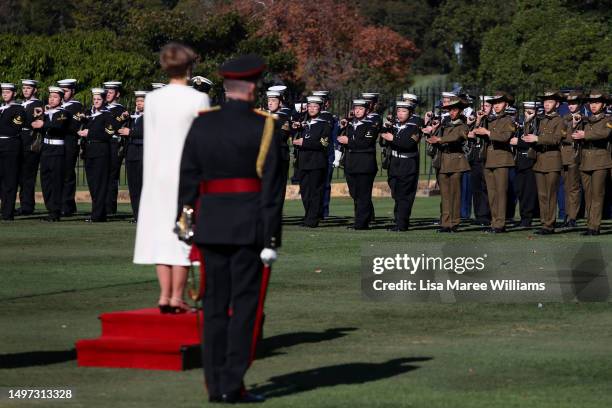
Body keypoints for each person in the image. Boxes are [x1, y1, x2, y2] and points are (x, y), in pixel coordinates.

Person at [177, 54, 284, 404]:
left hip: (209, 225)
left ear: (225, 87)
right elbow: (271, 188)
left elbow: (188, 176)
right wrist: (271, 237)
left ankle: (213, 384)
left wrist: (184, 221)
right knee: (244, 307)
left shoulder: (202, 123)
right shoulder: (264, 125)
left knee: (213, 306)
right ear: (252, 88)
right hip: (248, 227)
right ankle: (231, 382)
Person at [133, 43, 210, 312]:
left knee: (160, 234)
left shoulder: (153, 99)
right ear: (189, 68)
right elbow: (203, 141)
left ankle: (164, 295)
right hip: (185, 176)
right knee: (182, 235)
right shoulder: (198, 98)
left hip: (156, 175)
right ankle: (177, 297)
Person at [473, 91, 515, 233]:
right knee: (491, 193)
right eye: (494, 103)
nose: (496, 106)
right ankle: (494, 222)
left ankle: (500, 224)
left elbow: (505, 137)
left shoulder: (508, 120)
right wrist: (478, 120)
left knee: (501, 192)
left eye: (499, 103)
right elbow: (474, 133)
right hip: (488, 159)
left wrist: (488, 133)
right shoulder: (488, 119)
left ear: (506, 104)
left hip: (502, 160)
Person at [426, 96, 470, 232]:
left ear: (460, 111)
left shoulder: (462, 125)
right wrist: (432, 130)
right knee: (445, 195)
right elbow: (432, 137)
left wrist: (439, 139)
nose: (451, 113)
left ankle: (454, 222)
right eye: (450, 110)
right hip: (443, 162)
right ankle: (445, 223)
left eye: (454, 110)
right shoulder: (444, 124)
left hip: (456, 162)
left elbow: (456, 137)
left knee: (455, 194)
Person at [523, 90, 564, 235]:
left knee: (550, 194)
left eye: (550, 102)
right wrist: (528, 121)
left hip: (553, 161)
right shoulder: (540, 119)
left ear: (557, 104)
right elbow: (527, 135)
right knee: (542, 195)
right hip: (539, 161)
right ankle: (544, 222)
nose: (546, 104)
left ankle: (549, 224)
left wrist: (538, 139)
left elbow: (556, 139)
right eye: (545, 102)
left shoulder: (560, 120)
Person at [571, 90, 611, 235]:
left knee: (597, 195)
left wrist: (585, 134)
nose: (593, 105)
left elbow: (604, 134)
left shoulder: (608, 120)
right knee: (588, 195)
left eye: (597, 102)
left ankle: (595, 226)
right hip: (585, 160)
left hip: (601, 160)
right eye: (591, 103)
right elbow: (572, 136)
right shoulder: (585, 120)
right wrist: (575, 125)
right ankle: (590, 225)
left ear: (604, 105)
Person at [337, 98, 379, 230]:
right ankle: (359, 220)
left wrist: (348, 141)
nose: (358, 111)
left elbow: (365, 144)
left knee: (363, 195)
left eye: (361, 109)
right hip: (351, 165)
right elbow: (339, 140)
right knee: (355, 194)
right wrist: (341, 130)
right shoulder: (349, 125)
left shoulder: (371, 125)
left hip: (365, 165)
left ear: (367, 111)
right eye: (356, 109)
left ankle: (362, 223)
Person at [380, 100, 421, 231]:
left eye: (404, 111)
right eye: (399, 111)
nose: (400, 114)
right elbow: (382, 141)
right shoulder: (394, 126)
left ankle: (402, 223)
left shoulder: (414, 127)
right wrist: (385, 129)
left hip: (407, 163)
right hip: (394, 163)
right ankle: (398, 220)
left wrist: (393, 139)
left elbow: (409, 144)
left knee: (404, 195)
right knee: (396, 193)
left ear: (410, 113)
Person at [31, 86, 70, 222]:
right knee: (45, 181)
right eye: (50, 97)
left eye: (55, 97)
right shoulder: (46, 114)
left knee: (56, 182)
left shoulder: (64, 113)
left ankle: (55, 212)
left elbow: (58, 126)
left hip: (57, 150)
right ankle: (50, 209)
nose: (52, 99)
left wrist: (43, 124)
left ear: (60, 99)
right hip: (46, 149)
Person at [292, 95, 330, 228]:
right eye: (310, 106)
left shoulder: (324, 124)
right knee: (305, 192)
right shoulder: (303, 124)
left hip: (316, 162)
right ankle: (308, 215)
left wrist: (305, 142)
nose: (312, 109)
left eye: (315, 107)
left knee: (315, 192)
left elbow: (323, 144)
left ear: (320, 108)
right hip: (303, 162)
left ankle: (312, 219)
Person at [77, 88, 112, 222]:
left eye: (99, 99)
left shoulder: (107, 115)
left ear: (103, 100)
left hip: (101, 151)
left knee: (99, 184)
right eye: (94, 99)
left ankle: (97, 215)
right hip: (89, 151)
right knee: (92, 184)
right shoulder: (90, 115)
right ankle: (98, 213)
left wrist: (89, 133)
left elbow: (108, 134)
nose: (96, 101)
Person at [57, 78, 84, 217]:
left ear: (72, 91)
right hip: (58, 143)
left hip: (69, 142)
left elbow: (73, 126)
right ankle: (63, 203)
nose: (63, 94)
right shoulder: (57, 105)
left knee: (67, 174)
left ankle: (67, 205)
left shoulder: (76, 106)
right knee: (59, 174)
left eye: (66, 91)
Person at [510, 101, 539, 227]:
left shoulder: (538, 123)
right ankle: (523, 217)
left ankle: (527, 219)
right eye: (526, 110)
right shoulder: (522, 123)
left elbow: (534, 141)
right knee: (520, 190)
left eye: (531, 110)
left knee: (528, 192)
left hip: (531, 161)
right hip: (519, 161)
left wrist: (519, 143)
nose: (528, 112)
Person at [103, 81, 130, 216]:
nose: (107, 94)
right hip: (102, 144)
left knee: (112, 176)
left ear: (117, 94)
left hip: (114, 144)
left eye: (111, 92)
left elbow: (113, 128)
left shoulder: (120, 110)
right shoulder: (102, 108)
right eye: (106, 91)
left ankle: (110, 207)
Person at [17, 79, 43, 216]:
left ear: (34, 90)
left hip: (30, 143)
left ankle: (27, 206)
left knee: (27, 176)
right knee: (21, 176)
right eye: (24, 88)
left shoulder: (36, 104)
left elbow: (28, 121)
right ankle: (24, 204)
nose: (25, 90)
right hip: (21, 142)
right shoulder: (22, 104)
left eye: (28, 88)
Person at [0, 83, 25, 220]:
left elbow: (14, 129)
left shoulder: (18, 109)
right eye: (3, 91)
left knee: (9, 180)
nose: (5, 94)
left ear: (14, 94)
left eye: (8, 92)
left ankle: (8, 212)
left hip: (10, 146)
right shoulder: (1, 108)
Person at [120, 90, 146, 222]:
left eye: (142, 101)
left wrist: (131, 132)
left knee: (142, 185)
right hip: (131, 151)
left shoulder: (151, 115)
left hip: (143, 150)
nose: (139, 103)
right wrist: (123, 118)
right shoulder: (131, 116)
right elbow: (116, 127)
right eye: (137, 101)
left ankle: (144, 215)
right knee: (133, 186)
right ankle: (137, 215)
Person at [466, 96, 492, 226]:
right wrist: (475, 123)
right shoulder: (475, 119)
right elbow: (468, 133)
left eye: (486, 106)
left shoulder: (492, 119)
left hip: (488, 157)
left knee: (488, 187)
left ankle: (488, 215)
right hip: (475, 157)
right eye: (482, 105)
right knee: (476, 188)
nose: (483, 108)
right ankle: (479, 215)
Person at [560, 91, 583, 227]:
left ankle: (572, 216)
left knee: (574, 187)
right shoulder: (565, 118)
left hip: (575, 154)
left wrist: (573, 126)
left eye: (574, 103)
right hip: (563, 155)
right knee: (566, 187)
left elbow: (573, 136)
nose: (571, 106)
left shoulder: (583, 118)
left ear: (579, 104)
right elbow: (561, 135)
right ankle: (567, 215)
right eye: (569, 103)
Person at [266, 88, 291, 188]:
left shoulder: (283, 118)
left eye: (273, 101)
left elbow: (282, 136)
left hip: (279, 156)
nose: (270, 103)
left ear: (280, 103)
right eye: (268, 101)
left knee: (278, 190)